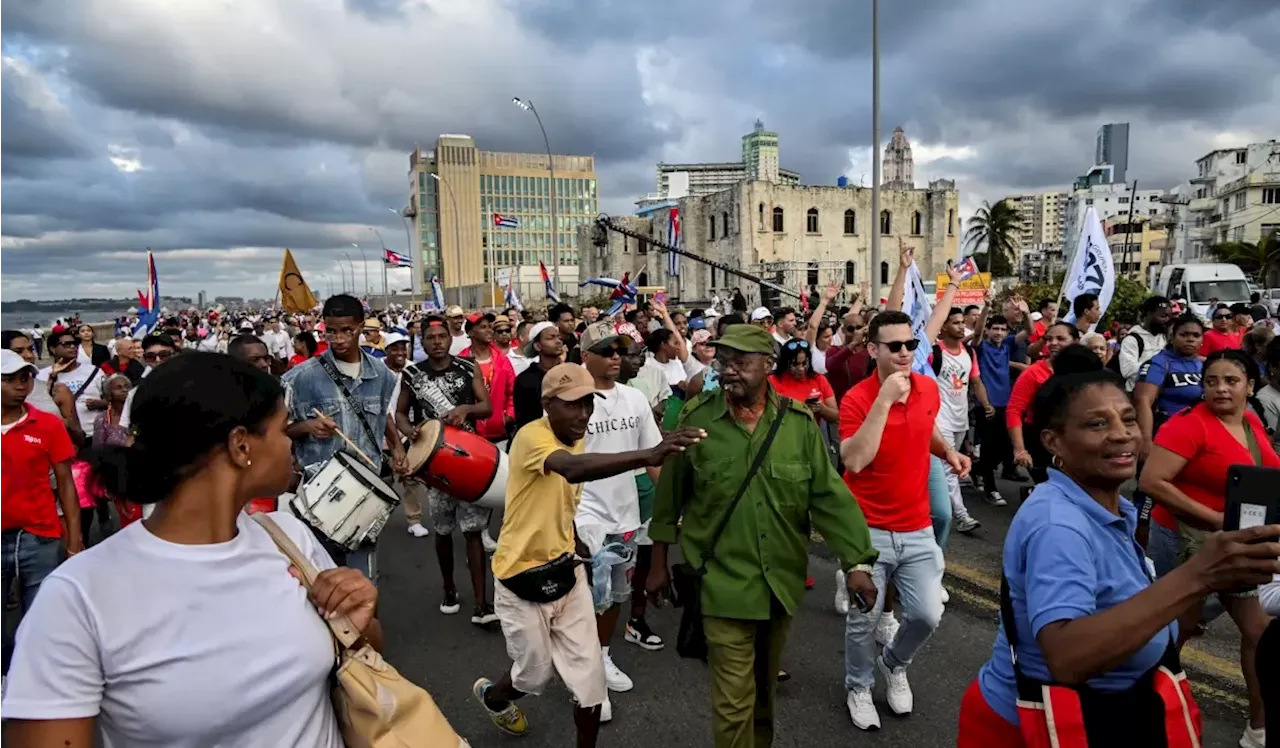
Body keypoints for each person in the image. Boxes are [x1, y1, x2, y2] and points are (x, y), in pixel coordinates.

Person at [2, 352, 381, 747]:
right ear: (240, 445)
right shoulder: (78, 597)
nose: (291, 444)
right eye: (283, 429)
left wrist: (358, 617)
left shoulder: (288, 538)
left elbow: (364, 648)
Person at [958, 346, 1277, 747]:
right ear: (1053, 440)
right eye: (1096, 424)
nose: (1123, 433)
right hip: (1039, 727)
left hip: (1111, 709)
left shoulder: (1111, 507)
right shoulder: (1059, 523)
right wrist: (1197, 577)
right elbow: (1067, 657)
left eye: (1128, 419)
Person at [648, 324, 879, 748]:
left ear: (768, 366)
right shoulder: (697, 420)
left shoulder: (798, 425)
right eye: (723, 362)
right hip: (720, 582)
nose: (729, 371)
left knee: (763, 697)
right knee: (734, 702)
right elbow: (669, 496)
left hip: (780, 584)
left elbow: (829, 497)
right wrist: (659, 562)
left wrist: (857, 563)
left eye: (740, 362)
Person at [838, 310, 969, 731]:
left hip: (916, 527)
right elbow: (855, 459)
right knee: (864, 619)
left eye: (910, 344)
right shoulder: (857, 399)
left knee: (928, 614)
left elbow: (925, 426)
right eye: (894, 346)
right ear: (873, 349)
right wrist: (884, 400)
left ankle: (894, 663)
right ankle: (858, 686)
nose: (904, 352)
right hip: (866, 528)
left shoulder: (928, 390)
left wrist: (947, 451)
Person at [1138, 349, 1275, 747]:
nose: (1219, 388)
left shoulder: (1249, 422)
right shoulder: (1189, 424)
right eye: (1211, 380)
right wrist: (1216, 519)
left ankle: (1259, 729)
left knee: (1258, 631)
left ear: (1250, 386)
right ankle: (1139, 705)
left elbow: (1266, 471)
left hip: (1236, 545)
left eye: (1231, 381)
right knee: (1171, 634)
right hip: (1185, 543)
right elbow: (1151, 482)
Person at [572, 322, 665, 717]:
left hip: (625, 514)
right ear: (585, 357)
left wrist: (669, 505)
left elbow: (653, 456)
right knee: (584, 601)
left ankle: (602, 656)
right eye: (607, 349)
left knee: (611, 598)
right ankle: (586, 679)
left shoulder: (634, 399)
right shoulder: (570, 401)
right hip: (583, 515)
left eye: (620, 350)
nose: (615, 356)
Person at [282, 294, 406, 584]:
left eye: (346, 331)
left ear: (361, 327)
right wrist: (307, 426)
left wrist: (398, 448)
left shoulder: (383, 375)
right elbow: (276, 431)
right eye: (331, 331)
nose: (338, 339)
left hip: (366, 495)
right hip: (318, 495)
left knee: (362, 580)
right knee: (320, 580)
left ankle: (363, 629)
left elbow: (383, 416)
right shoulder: (300, 378)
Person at [396, 315, 496, 622]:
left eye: (442, 336)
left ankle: (482, 603)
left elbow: (487, 406)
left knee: (473, 531)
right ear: (422, 342)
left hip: (470, 459)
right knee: (442, 529)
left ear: (450, 339)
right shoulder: (413, 374)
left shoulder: (468, 367)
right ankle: (449, 587)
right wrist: (409, 431)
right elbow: (400, 413)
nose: (437, 342)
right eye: (430, 338)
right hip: (435, 464)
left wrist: (465, 409)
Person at [0, 348, 82, 683]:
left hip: (41, 535)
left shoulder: (47, 424)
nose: (21, 385)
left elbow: (66, 484)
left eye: (25, 377)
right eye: (10, 379)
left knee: (39, 621)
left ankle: (30, 685)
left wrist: (75, 541)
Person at [932, 305, 993, 532]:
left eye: (961, 322)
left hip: (960, 419)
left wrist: (986, 404)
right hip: (939, 420)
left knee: (948, 468)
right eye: (955, 322)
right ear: (944, 326)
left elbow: (975, 381)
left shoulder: (969, 353)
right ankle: (961, 515)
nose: (960, 326)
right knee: (949, 467)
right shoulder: (934, 352)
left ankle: (931, 504)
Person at [1009, 322, 1081, 484]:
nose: (1053, 343)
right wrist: (1020, 449)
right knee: (1051, 485)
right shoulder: (1032, 372)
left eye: (1061, 338)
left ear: (1075, 342)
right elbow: (1014, 410)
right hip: (1040, 440)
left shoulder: (1084, 370)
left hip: (1074, 439)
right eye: (1049, 339)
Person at [1133, 313, 1204, 455]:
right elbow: (1143, 401)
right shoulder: (1159, 363)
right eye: (1184, 335)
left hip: (1199, 434)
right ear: (1172, 337)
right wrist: (1146, 441)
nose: (1190, 339)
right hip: (1167, 433)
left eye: (1196, 336)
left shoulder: (1204, 364)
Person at [0, 330, 82, 442]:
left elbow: (78, 438)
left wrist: (64, 425)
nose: (29, 355)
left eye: (30, 349)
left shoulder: (56, 390)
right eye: (19, 351)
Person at [973, 314, 1017, 506]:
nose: (999, 332)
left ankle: (977, 469)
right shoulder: (981, 348)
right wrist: (987, 307)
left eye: (1002, 329)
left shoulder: (1007, 346)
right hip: (986, 405)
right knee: (988, 448)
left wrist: (1024, 313)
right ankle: (991, 489)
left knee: (1007, 448)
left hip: (1006, 404)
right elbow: (976, 332)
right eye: (995, 329)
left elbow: (1030, 334)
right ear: (988, 330)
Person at [38, 328, 104, 445]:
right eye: (66, 344)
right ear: (53, 349)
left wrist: (101, 403)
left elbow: (112, 400)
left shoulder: (95, 371)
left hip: (92, 436)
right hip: (58, 438)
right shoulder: (42, 376)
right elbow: (39, 404)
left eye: (75, 343)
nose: (73, 347)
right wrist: (53, 376)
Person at [459, 313, 516, 445]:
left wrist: (508, 417)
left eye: (490, 327)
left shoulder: (502, 360)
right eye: (483, 327)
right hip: (471, 435)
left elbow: (513, 392)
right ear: (471, 332)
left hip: (500, 435)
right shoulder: (461, 361)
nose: (489, 330)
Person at [768, 339, 837, 424]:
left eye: (804, 363)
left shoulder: (819, 379)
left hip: (812, 434)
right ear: (785, 363)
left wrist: (821, 409)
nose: (801, 369)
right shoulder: (773, 381)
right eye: (795, 364)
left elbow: (836, 417)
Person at [513, 321, 564, 434]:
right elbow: (525, 424)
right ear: (537, 346)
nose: (558, 341)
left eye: (558, 337)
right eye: (551, 338)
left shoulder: (570, 373)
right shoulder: (525, 380)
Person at [1118, 296, 1172, 390]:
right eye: (1163, 316)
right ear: (1149, 314)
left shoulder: (1165, 337)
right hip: (1137, 394)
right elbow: (1128, 370)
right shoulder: (1132, 340)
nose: (1166, 320)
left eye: (1168, 316)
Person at [825, 311, 871, 405]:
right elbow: (830, 365)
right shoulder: (834, 350)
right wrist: (852, 344)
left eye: (859, 328)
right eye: (851, 329)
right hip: (841, 405)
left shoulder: (871, 351)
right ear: (843, 330)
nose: (855, 332)